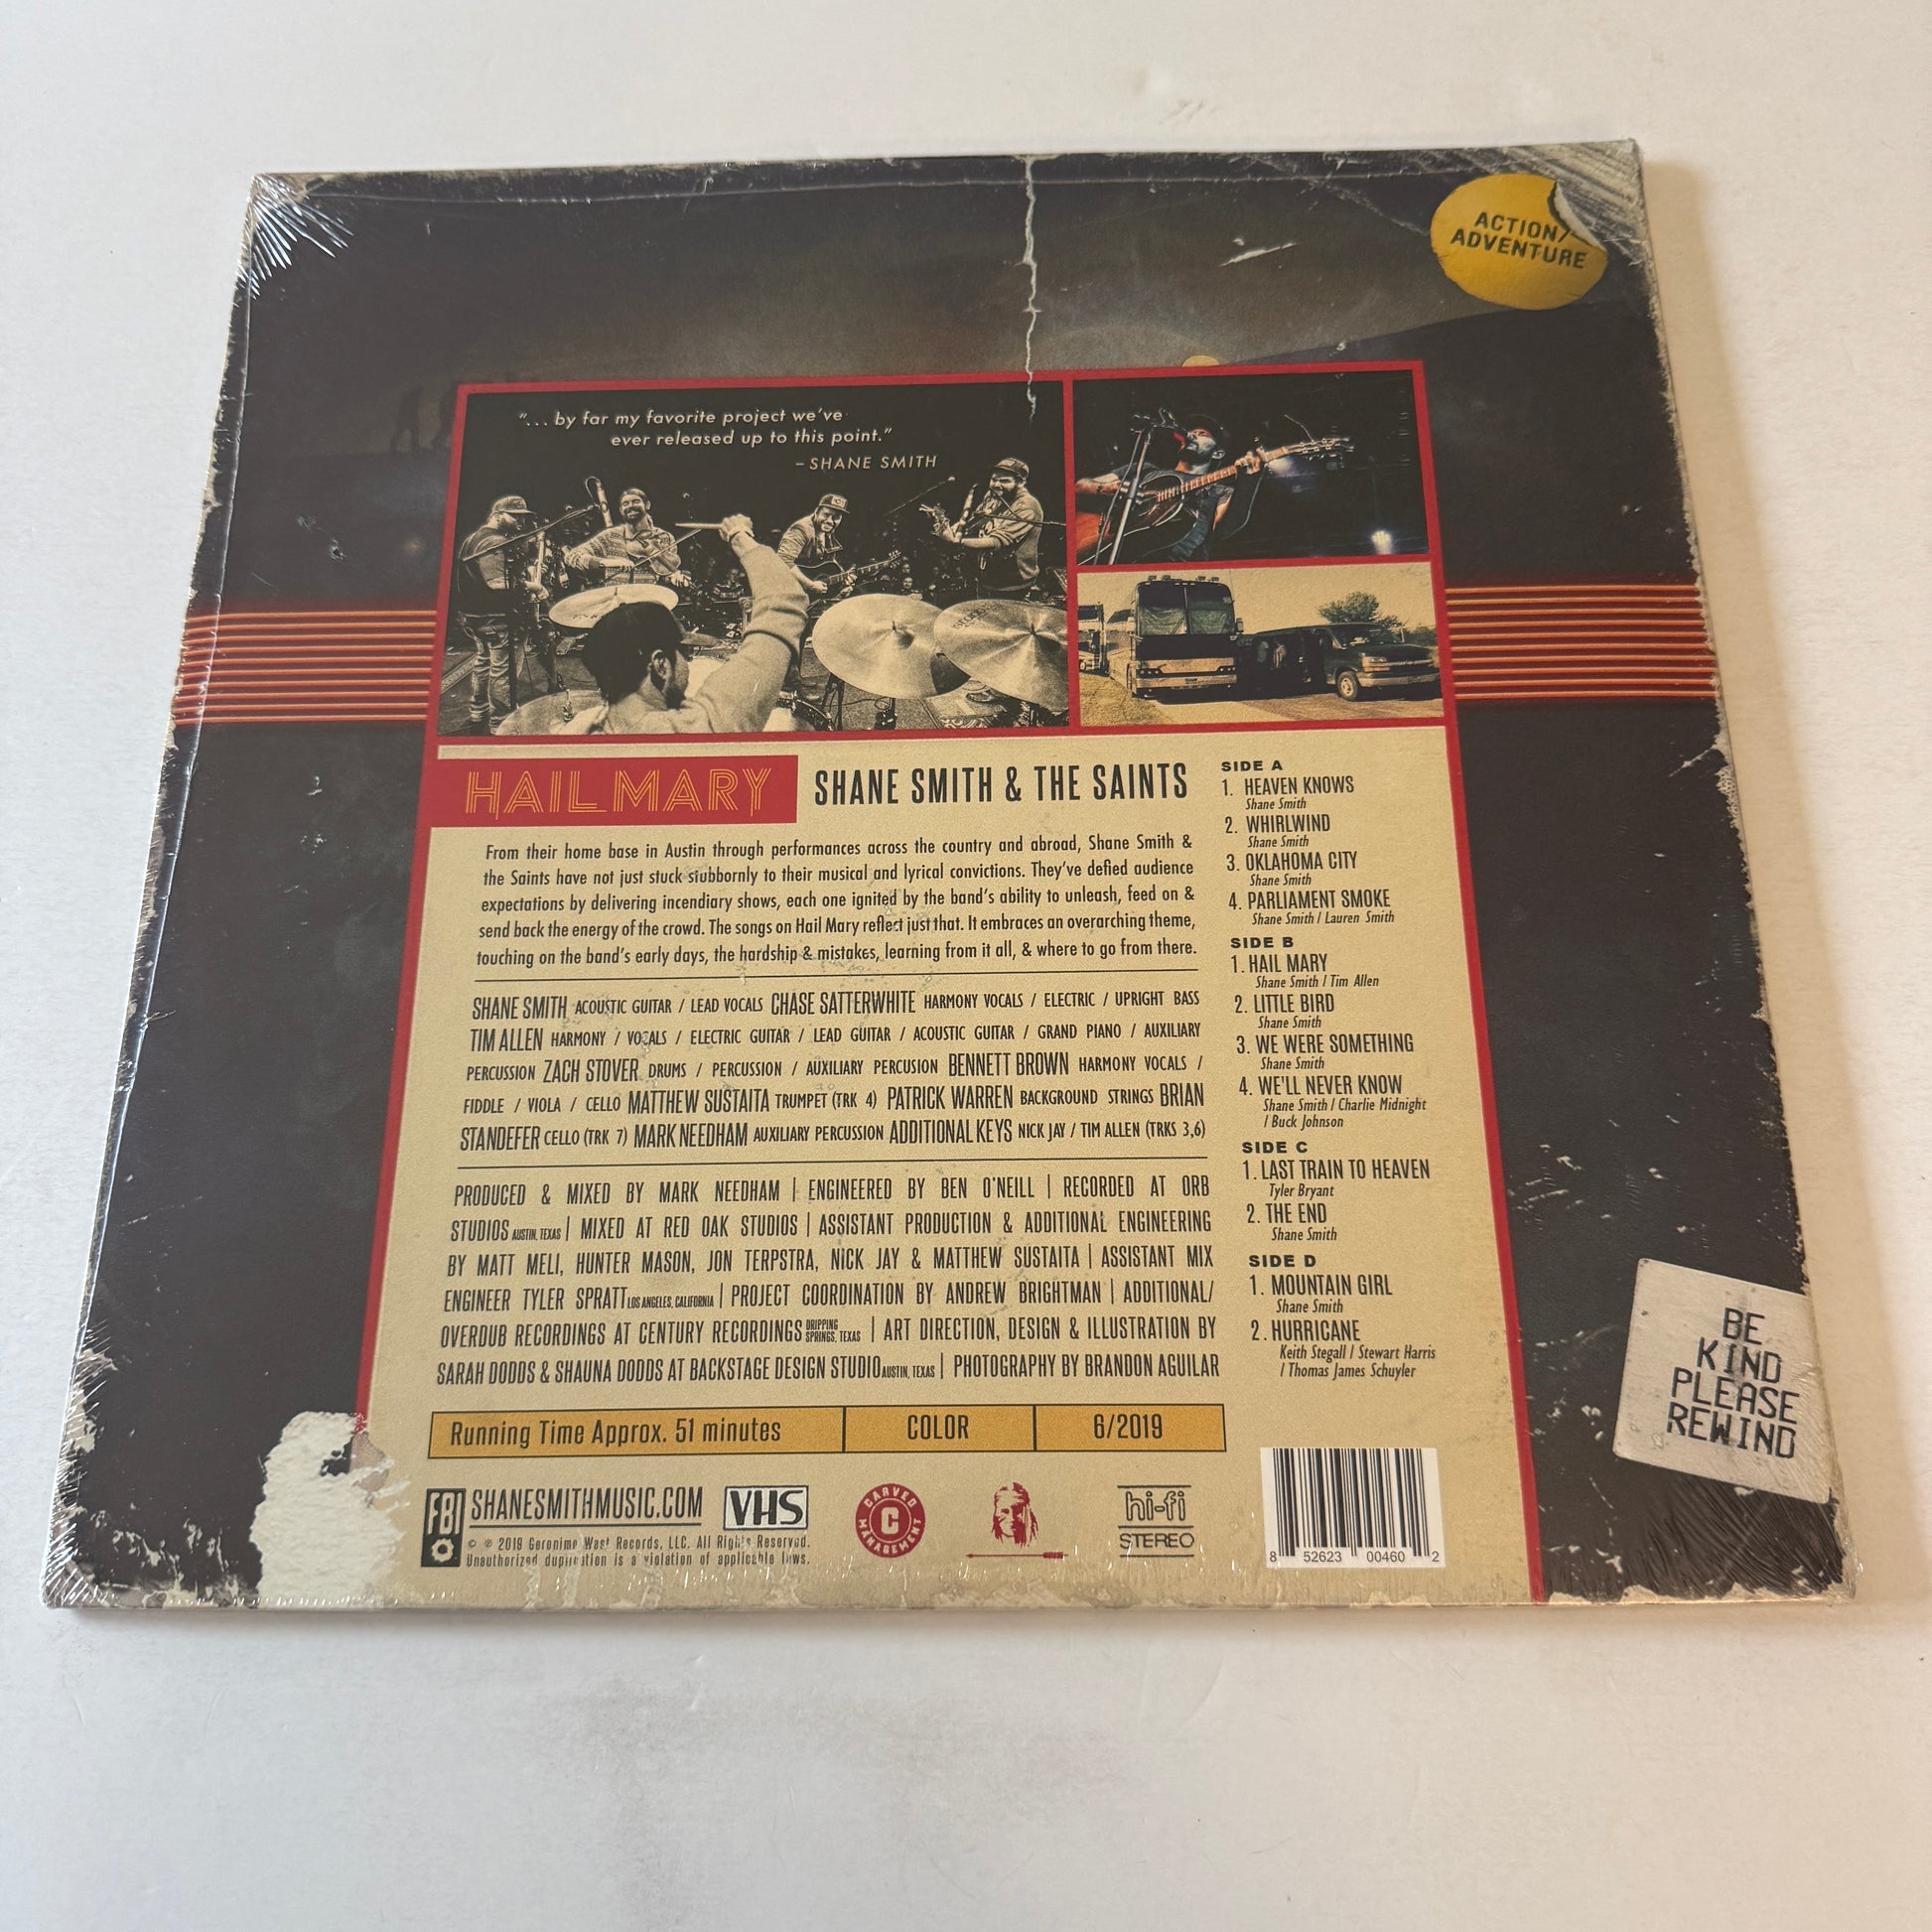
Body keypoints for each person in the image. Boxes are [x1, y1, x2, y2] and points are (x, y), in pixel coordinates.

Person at [495, 514, 804, 736]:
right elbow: (783, 604)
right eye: (683, 654)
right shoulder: (701, 728)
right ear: (660, 664)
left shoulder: (583, 732)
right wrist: (740, 536)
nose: (686, 663)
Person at [1076, 414, 1260, 562]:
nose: (1192, 435)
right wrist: (1107, 489)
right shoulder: (1145, 469)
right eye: (1192, 432)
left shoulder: (1219, 489)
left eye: (1202, 434)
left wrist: (1248, 483)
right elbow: (1079, 486)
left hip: (1174, 565)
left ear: (1218, 453)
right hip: (1108, 550)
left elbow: (1224, 528)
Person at [453, 494, 540, 732]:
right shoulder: (493, 541)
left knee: (484, 662)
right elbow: (497, 583)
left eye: (523, 517)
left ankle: (478, 712)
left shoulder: (473, 538)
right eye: (515, 517)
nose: (521, 522)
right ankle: (501, 723)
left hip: (476, 616)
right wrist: (533, 587)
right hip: (496, 618)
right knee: (504, 670)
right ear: (498, 515)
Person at [929, 458, 1043, 596]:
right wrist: (954, 528)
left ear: (1020, 482)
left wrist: (957, 542)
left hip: (1012, 583)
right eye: (994, 479)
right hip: (987, 577)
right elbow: (977, 519)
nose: (996, 485)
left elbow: (996, 542)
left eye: (1005, 481)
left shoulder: (1027, 505)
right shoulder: (993, 495)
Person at [563, 486, 690, 589]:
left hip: (647, 599)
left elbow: (664, 574)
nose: (630, 506)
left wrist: (674, 578)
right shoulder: (610, 536)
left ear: (647, 505)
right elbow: (571, 557)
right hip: (616, 600)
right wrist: (608, 563)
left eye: (636, 501)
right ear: (620, 510)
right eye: (625, 504)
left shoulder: (664, 537)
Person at [776, 492, 849, 598]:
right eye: (826, 515)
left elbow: (828, 564)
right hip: (788, 590)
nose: (830, 521)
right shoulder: (801, 529)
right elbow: (783, 561)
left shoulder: (828, 533)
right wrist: (810, 585)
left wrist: (844, 584)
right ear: (817, 512)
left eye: (836, 517)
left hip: (810, 594)